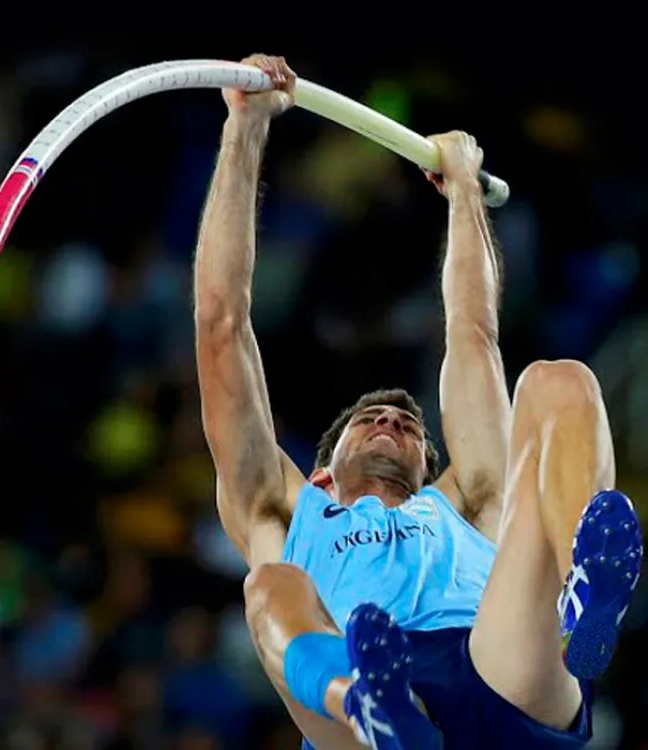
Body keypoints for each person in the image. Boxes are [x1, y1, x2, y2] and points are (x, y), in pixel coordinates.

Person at [192, 53, 643, 750]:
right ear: (318, 473)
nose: (392, 422)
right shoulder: (283, 510)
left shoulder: (465, 499)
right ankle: (371, 706)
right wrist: (245, 128)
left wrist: (461, 191)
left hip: (500, 667)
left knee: (560, 382)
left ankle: (581, 596)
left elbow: (472, 334)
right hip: (360, 706)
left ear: (435, 465)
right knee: (270, 584)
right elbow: (221, 322)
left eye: (407, 426)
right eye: (368, 420)